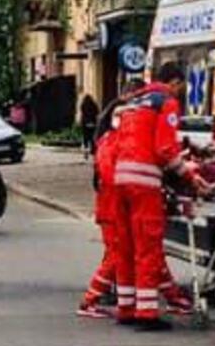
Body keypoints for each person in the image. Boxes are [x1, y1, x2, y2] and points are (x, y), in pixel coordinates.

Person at [110, 63, 203, 330]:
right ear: (174, 83)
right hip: (143, 182)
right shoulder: (167, 103)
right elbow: (164, 149)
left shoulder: (136, 101)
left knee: (125, 246)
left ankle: (126, 308)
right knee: (147, 246)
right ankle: (147, 314)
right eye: (181, 88)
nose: (181, 94)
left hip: (120, 179)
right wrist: (189, 175)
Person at [79, 103, 122, 319]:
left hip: (114, 208)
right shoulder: (110, 142)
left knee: (117, 254)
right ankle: (89, 300)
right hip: (112, 208)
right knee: (116, 255)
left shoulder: (112, 141)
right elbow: (109, 175)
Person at [78, 94, 101, 159]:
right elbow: (97, 113)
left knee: (85, 138)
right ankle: (93, 150)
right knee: (92, 138)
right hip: (93, 123)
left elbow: (82, 113)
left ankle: (86, 150)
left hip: (85, 123)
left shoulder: (83, 105)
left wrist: (81, 121)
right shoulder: (94, 105)